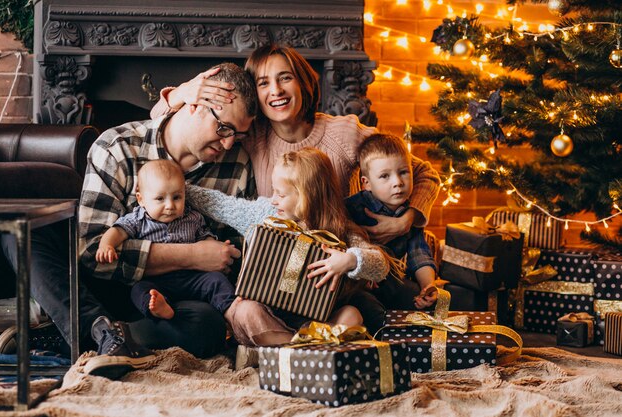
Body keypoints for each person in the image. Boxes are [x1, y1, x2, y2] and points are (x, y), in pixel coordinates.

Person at [1, 62, 258, 380]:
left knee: (208, 326)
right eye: (224, 128)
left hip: (172, 300)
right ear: (194, 104)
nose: (229, 143)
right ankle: (99, 332)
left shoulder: (237, 166)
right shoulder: (118, 147)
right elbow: (92, 252)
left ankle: (87, 336)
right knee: (22, 234)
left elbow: (230, 258)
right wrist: (191, 255)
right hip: (107, 289)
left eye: (239, 134)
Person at [150, 44, 440, 247]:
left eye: (285, 78)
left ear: (302, 83)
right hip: (281, 263)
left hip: (339, 257)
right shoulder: (252, 135)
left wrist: (407, 220)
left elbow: (424, 172)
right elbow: (155, 119)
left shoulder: (344, 132)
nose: (275, 90)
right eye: (263, 83)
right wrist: (182, 92)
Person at [188, 148, 391, 347]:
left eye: (281, 194)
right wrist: (181, 188)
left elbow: (381, 265)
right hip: (268, 317)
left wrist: (350, 260)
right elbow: (221, 205)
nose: (274, 198)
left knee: (351, 315)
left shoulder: (337, 230)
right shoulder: (266, 214)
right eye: (273, 191)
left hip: (316, 321)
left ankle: (288, 348)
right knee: (244, 311)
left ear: (308, 195)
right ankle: (303, 347)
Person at [95, 159, 236, 322]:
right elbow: (117, 231)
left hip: (192, 277)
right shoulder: (137, 219)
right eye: (160, 199)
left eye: (177, 197)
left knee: (216, 280)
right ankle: (159, 308)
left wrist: (215, 246)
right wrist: (107, 245)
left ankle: (231, 308)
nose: (170, 205)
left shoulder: (193, 217)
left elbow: (204, 237)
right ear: (141, 199)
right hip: (157, 280)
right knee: (139, 290)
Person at [345, 133, 438, 333]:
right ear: (366, 183)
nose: (397, 182)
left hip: (393, 283)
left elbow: (418, 254)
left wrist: (428, 286)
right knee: (368, 307)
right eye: (385, 176)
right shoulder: (354, 208)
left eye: (403, 172)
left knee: (427, 304)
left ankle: (416, 345)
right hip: (360, 286)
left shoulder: (409, 211)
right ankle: (385, 345)